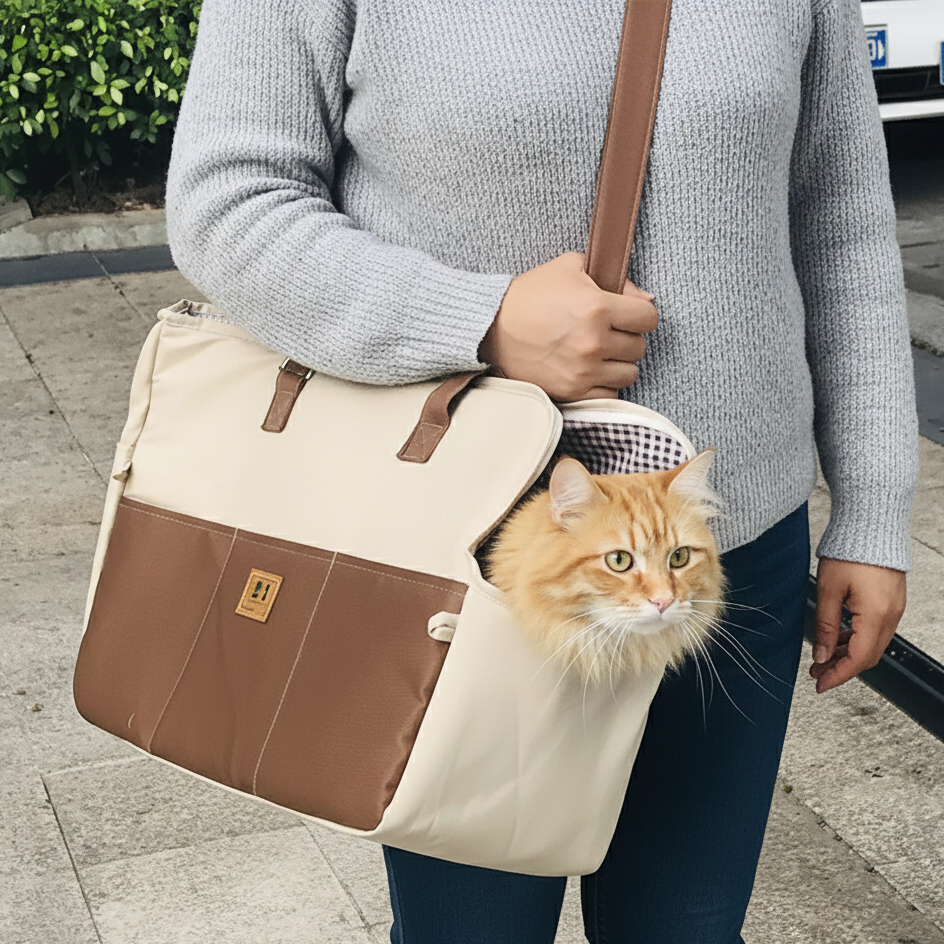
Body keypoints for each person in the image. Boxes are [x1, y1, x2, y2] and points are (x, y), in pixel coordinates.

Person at [164, 0, 918, 940]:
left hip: (727, 553)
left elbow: (838, 220)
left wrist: (875, 509)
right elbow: (229, 203)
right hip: (479, 558)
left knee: (687, 927)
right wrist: (478, 319)